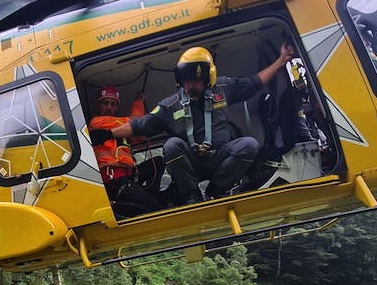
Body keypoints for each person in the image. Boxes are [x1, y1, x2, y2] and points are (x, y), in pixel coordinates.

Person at [90, 44, 295, 204]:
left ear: (208, 77)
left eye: (194, 80)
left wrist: (281, 60)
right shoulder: (170, 105)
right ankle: (191, 194)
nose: (189, 85)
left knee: (249, 144)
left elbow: (255, 82)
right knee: (170, 146)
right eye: (185, 80)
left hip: (220, 158)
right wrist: (106, 135)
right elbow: (140, 125)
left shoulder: (223, 88)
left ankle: (217, 189)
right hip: (192, 164)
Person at [88, 85, 164, 215]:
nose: (109, 107)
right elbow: (135, 122)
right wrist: (139, 101)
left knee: (158, 162)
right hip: (113, 179)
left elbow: (139, 134)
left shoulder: (120, 131)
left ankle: (150, 198)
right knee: (155, 210)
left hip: (129, 175)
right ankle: (114, 207)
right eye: (105, 103)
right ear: (99, 105)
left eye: (113, 104)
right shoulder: (97, 122)